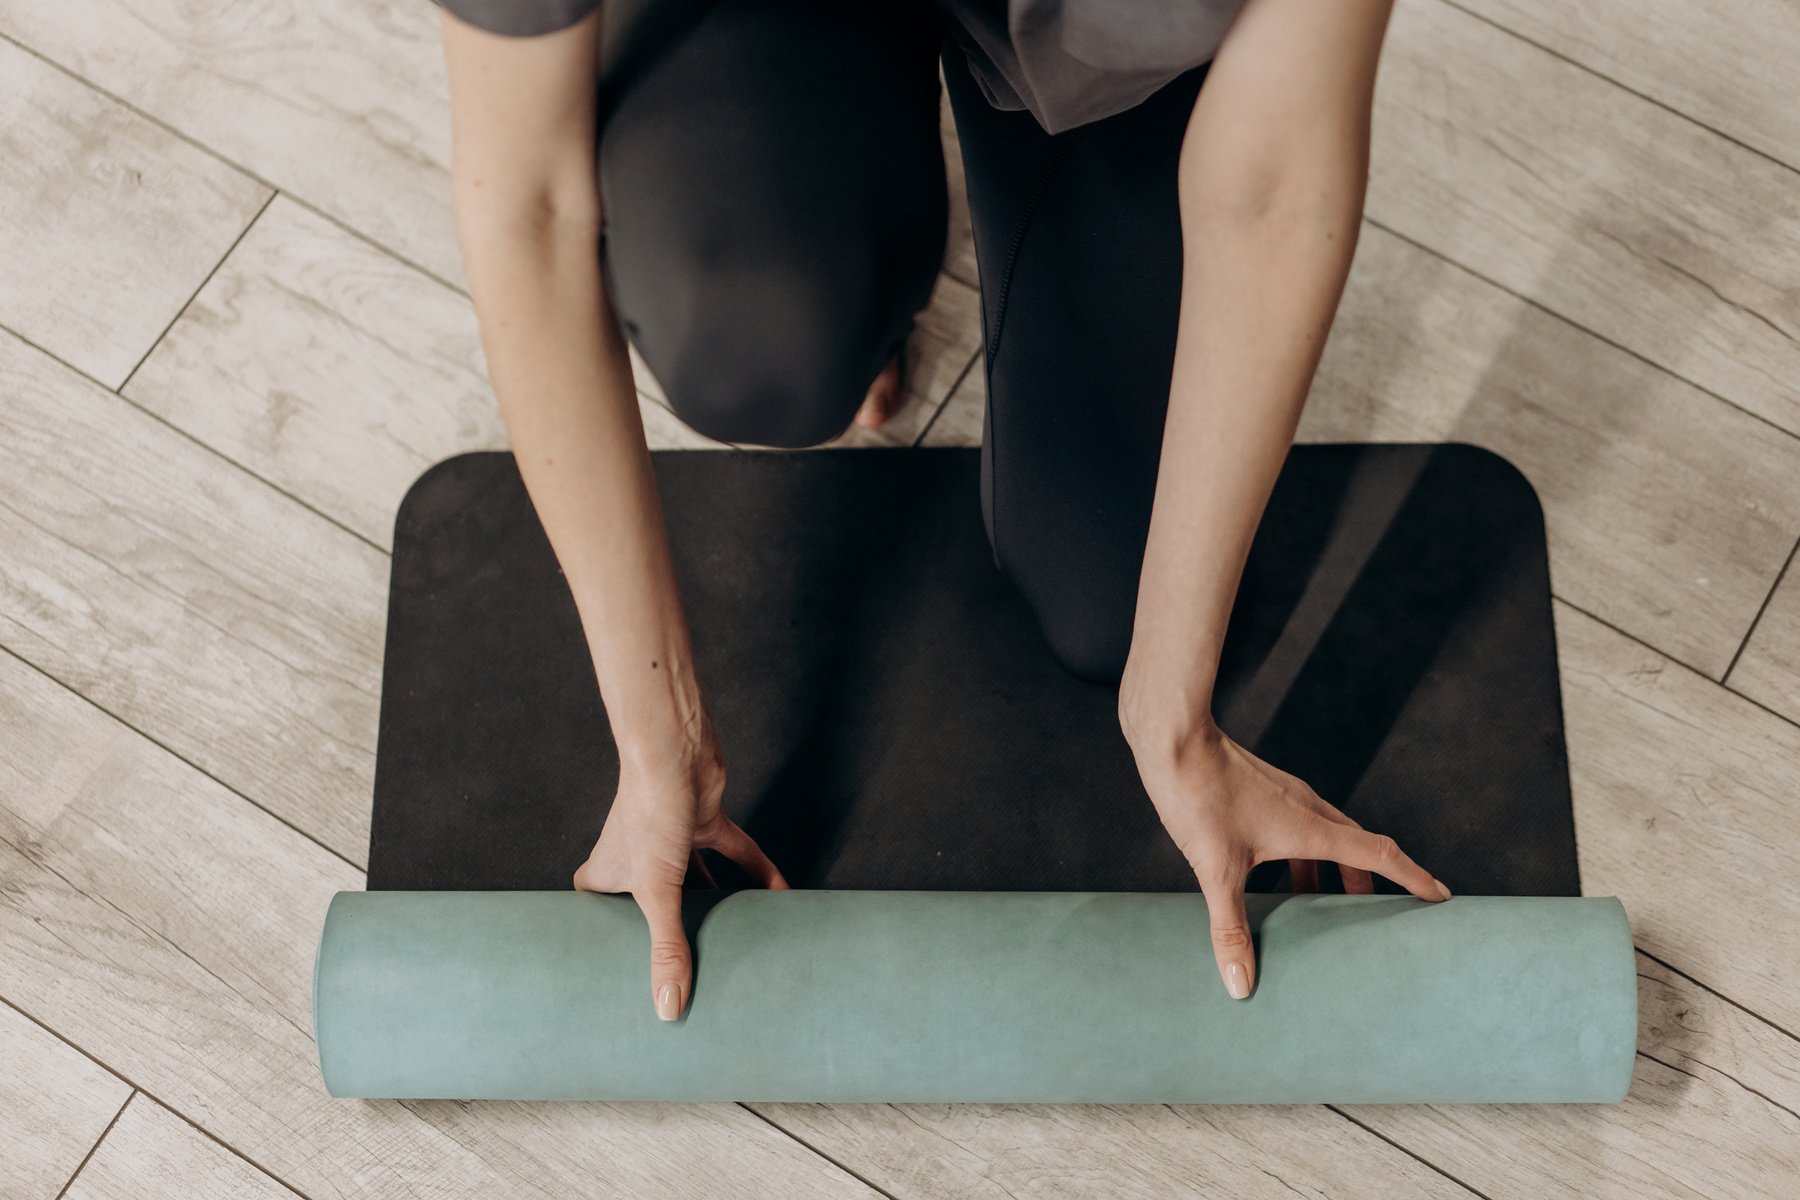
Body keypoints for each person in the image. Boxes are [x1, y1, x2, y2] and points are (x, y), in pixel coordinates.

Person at [431, 0, 1450, 1021]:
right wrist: (664, 749)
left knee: (1115, 599)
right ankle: (851, 243)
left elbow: (1274, 189)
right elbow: (527, 203)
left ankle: (950, 165)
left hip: (1090, 43)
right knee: (759, 340)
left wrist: (1173, 723)